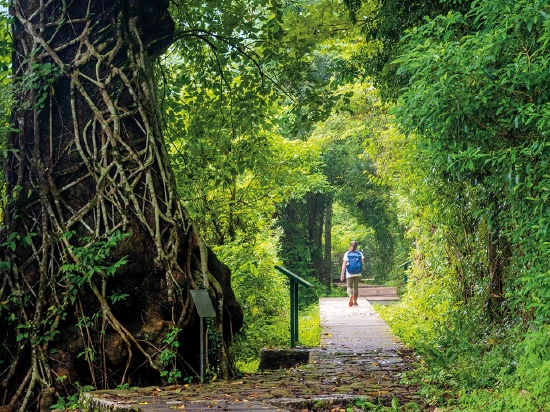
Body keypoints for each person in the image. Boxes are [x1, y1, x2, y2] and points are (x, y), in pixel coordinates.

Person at [340, 241, 364, 307]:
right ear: (356, 246)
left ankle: (351, 296)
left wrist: (342, 274)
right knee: (356, 287)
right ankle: (355, 302)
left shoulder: (347, 253)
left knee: (349, 286)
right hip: (358, 273)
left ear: (350, 246)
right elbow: (362, 263)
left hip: (349, 273)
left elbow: (344, 264)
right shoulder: (360, 253)